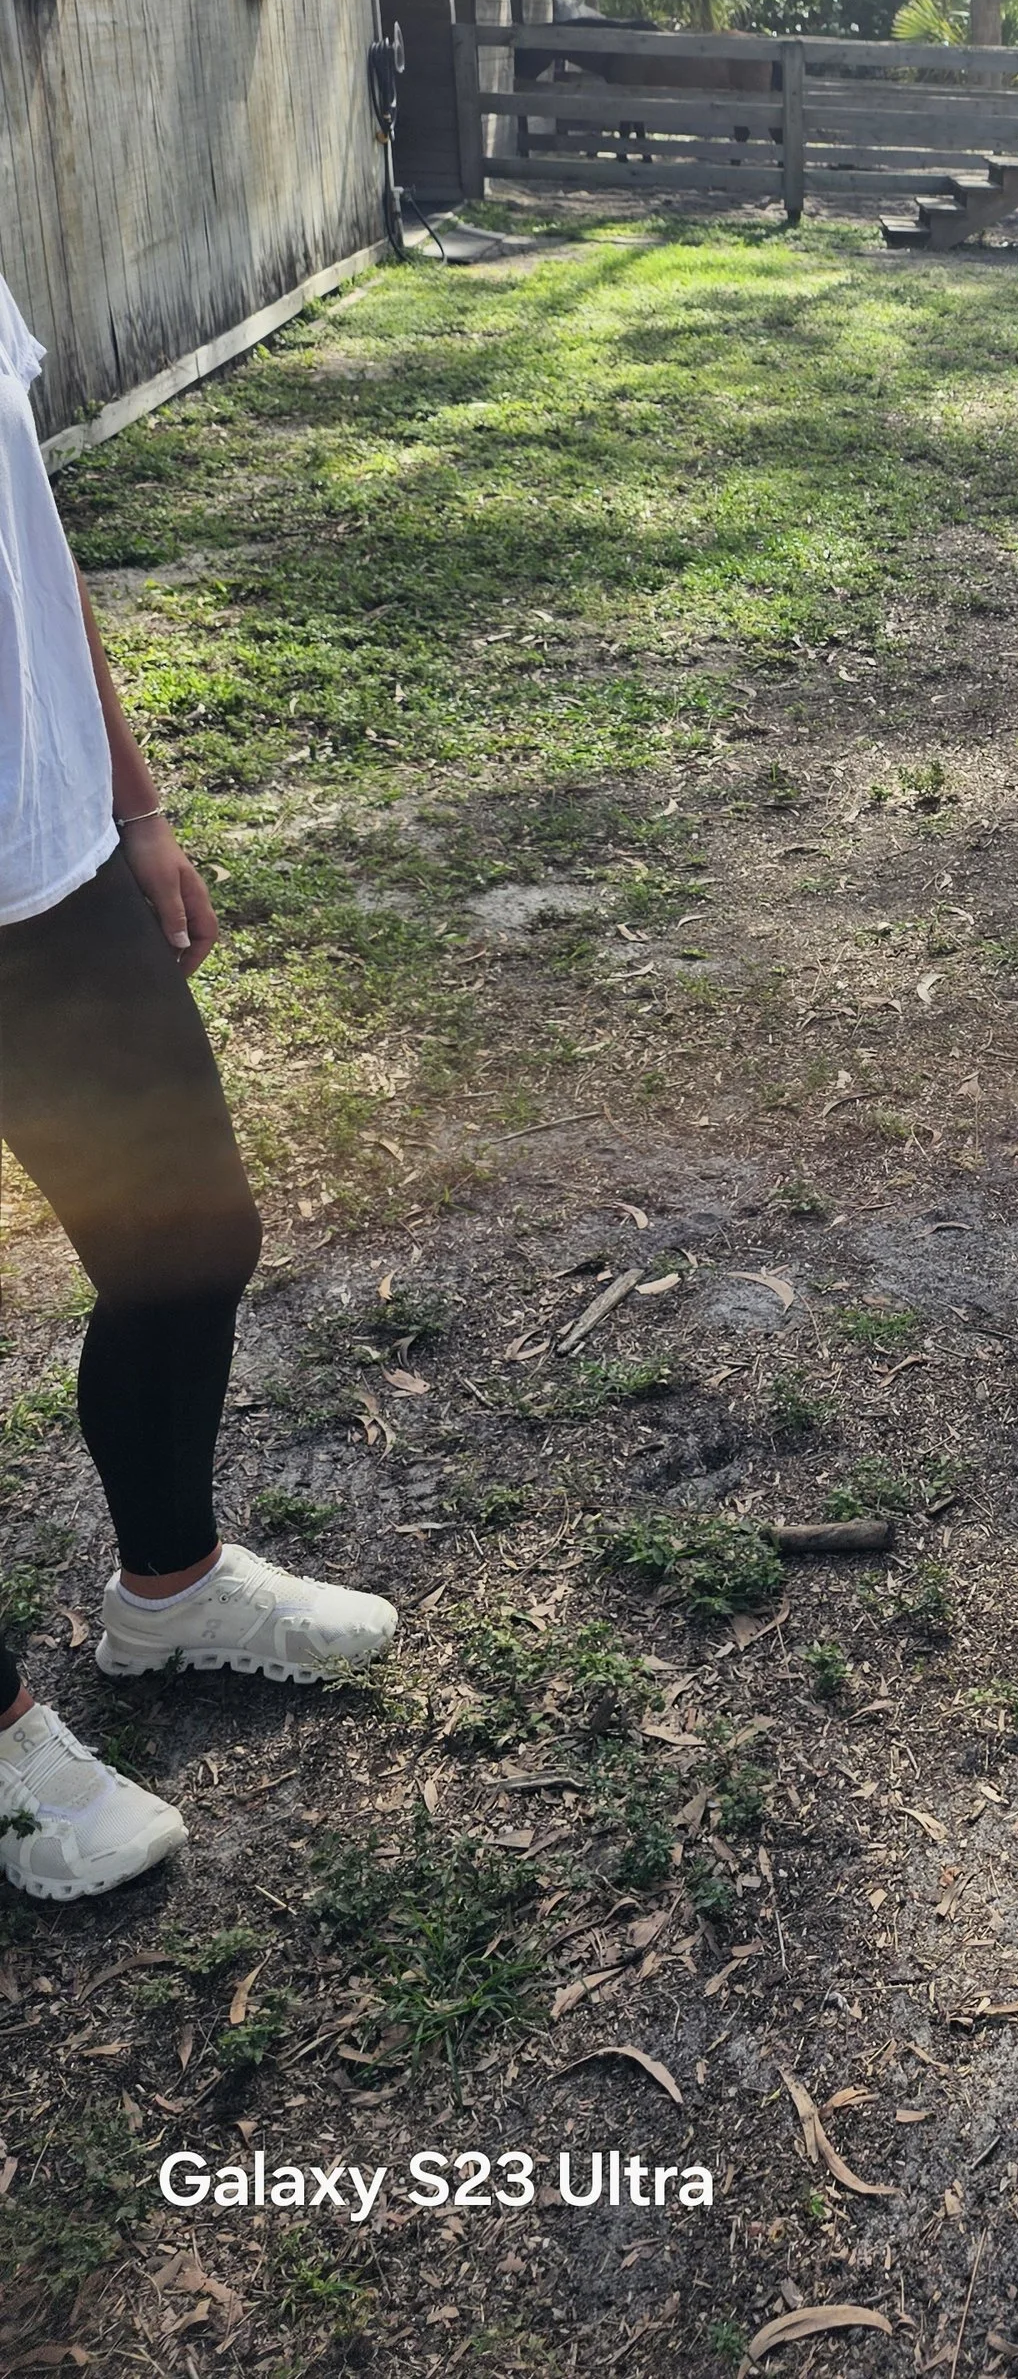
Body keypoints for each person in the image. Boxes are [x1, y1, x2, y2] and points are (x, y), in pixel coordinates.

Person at [0, 268, 397, 1902]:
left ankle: (166, 1583)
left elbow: (24, 532)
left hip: (49, 856)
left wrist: (133, 797)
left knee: (188, 1241)